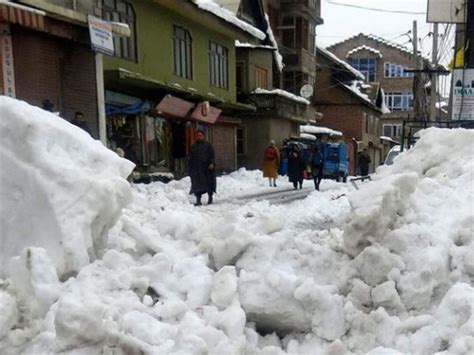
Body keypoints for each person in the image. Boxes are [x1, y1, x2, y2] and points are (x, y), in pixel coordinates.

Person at [188, 130, 216, 206]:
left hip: (207, 168)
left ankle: (210, 198)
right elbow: (190, 158)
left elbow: (212, 155)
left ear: (203, 136)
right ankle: (198, 200)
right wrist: (190, 169)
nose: (199, 137)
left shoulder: (208, 145)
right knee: (197, 184)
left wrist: (211, 163)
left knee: (209, 183)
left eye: (200, 136)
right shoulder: (193, 147)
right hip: (197, 169)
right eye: (197, 136)